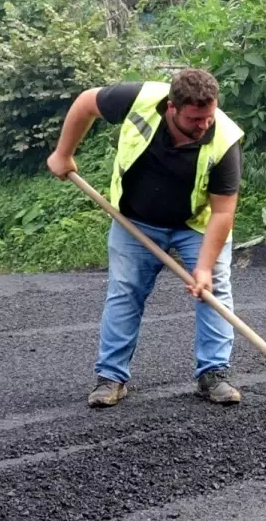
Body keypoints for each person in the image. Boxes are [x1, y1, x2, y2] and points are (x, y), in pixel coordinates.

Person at [46, 69, 246, 408]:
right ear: (172, 107)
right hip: (135, 221)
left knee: (214, 288)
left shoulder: (224, 140)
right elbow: (84, 103)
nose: (204, 125)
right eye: (195, 119)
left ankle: (213, 374)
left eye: (208, 117)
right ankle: (111, 377)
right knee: (125, 291)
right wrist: (63, 154)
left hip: (196, 224)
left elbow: (223, 213)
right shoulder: (137, 99)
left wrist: (203, 268)